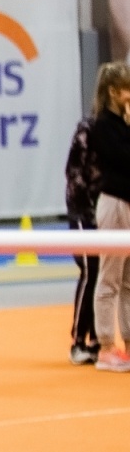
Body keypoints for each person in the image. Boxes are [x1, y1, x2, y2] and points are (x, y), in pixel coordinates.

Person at [65, 66, 120, 366]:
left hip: (113, 208)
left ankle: (102, 336)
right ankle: (79, 338)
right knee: (92, 269)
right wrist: (86, 211)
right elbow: (74, 173)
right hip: (85, 210)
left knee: (117, 274)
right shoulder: (88, 128)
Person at [90, 63, 130, 373]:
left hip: (128, 203)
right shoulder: (102, 125)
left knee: (129, 280)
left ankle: (128, 344)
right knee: (109, 277)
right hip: (114, 202)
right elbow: (122, 161)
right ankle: (105, 347)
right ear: (115, 92)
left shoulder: (124, 124)